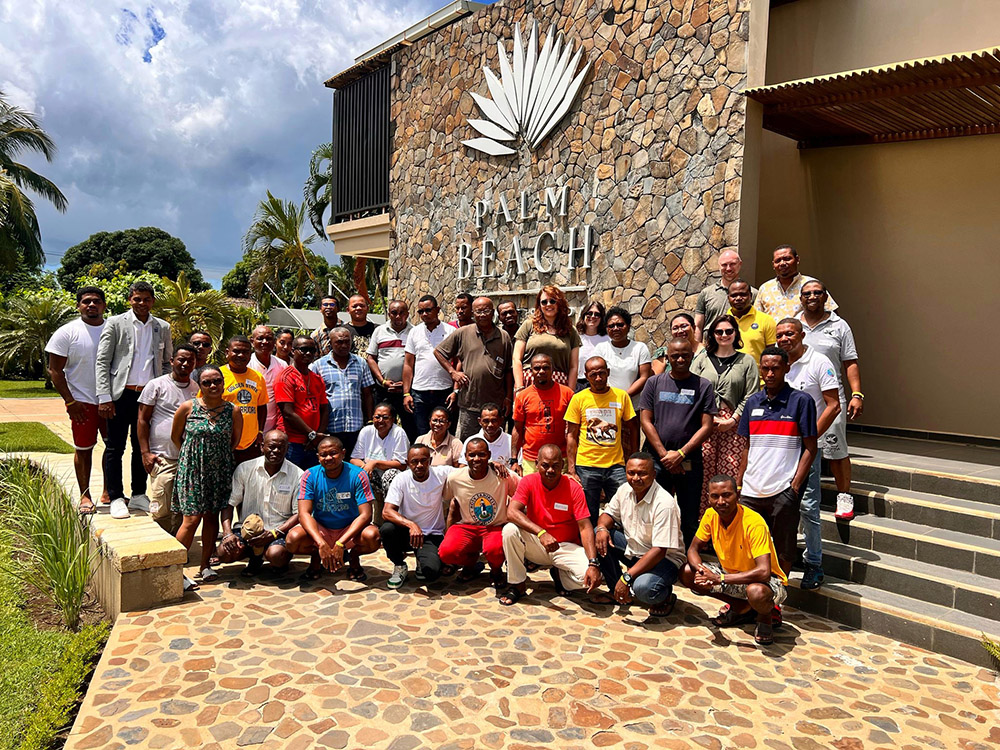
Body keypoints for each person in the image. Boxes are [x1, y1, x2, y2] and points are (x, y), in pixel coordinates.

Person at [736, 345, 817, 578]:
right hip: (751, 490)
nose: (770, 374)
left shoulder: (801, 401)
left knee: (784, 546)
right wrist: (740, 482)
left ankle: (778, 596)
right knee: (748, 544)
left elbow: (811, 447)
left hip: (783, 489)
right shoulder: (752, 403)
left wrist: (794, 487)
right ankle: (748, 598)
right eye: (766, 369)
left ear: (787, 369)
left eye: (776, 369)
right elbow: (747, 446)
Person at [679, 474, 787, 646]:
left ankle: (765, 617)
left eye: (726, 495)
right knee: (686, 572)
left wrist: (718, 578)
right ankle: (740, 607)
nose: (721, 501)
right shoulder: (710, 515)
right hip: (731, 574)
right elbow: (693, 549)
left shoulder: (753, 522)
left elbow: (764, 572)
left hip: (766, 582)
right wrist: (701, 571)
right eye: (715, 496)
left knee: (756, 593)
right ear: (708, 498)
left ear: (737, 495)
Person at [96, 281, 172, 519]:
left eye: (146, 299)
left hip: (149, 397)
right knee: (115, 447)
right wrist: (104, 396)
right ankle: (116, 496)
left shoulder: (162, 326)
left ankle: (139, 493)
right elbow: (102, 362)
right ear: (130, 299)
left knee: (142, 446)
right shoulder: (116, 323)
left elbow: (167, 361)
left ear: (153, 301)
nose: (141, 303)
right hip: (121, 395)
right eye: (137, 298)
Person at [776, 318, 840, 590]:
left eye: (789, 333)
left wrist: (809, 437)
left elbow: (833, 405)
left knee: (809, 507)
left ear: (801, 335)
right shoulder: (777, 362)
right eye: (780, 335)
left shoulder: (819, 362)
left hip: (806, 449)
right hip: (778, 447)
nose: (784, 339)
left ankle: (814, 563)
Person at [499, 445, 607, 605]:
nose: (550, 470)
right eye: (545, 465)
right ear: (536, 464)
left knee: (591, 577)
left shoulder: (573, 487)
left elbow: (585, 526)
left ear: (562, 466)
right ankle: (517, 584)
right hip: (537, 543)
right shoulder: (528, 481)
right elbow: (512, 512)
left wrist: (593, 562)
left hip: (564, 547)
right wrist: (541, 533)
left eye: (555, 465)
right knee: (509, 530)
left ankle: (560, 576)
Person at [638, 338, 716, 546]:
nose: (680, 359)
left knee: (689, 517)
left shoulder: (703, 385)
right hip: (657, 460)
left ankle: (689, 560)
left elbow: (707, 426)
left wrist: (680, 454)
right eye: (675, 356)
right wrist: (665, 455)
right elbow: (645, 420)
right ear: (668, 357)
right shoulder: (654, 383)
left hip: (689, 461)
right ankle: (654, 555)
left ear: (692, 356)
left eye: (685, 355)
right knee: (655, 512)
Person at [170, 364, 243, 589]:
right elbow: (176, 437)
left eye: (217, 381)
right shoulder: (187, 407)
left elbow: (235, 441)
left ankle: (205, 566)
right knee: (191, 520)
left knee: (212, 518)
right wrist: (194, 456)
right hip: (191, 471)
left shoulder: (233, 411)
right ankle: (174, 571)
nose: (213, 386)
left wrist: (215, 457)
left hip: (219, 471)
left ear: (223, 382)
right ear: (199, 386)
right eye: (207, 382)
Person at [799, 280, 864, 521]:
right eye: (807, 293)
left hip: (831, 400)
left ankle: (844, 495)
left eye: (817, 293)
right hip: (801, 400)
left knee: (836, 449)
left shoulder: (839, 325)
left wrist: (857, 393)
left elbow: (850, 362)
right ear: (801, 298)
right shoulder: (794, 324)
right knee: (800, 449)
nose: (812, 296)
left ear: (826, 296)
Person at [595, 452, 686, 617]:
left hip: (664, 560)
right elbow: (608, 514)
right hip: (634, 550)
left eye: (642, 473)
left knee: (644, 589)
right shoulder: (624, 490)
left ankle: (665, 597)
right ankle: (615, 589)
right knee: (598, 534)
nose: (636, 478)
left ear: (653, 475)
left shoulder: (664, 503)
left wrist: (627, 577)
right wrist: (602, 528)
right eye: (631, 473)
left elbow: (660, 550)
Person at [45, 285, 108, 514]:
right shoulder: (67, 332)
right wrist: (71, 402)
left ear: (104, 305)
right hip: (82, 402)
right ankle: (85, 496)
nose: (91, 305)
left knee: (113, 448)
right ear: (79, 305)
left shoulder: (113, 329)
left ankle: (108, 491)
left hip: (110, 400)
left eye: (96, 301)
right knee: (84, 449)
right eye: (86, 301)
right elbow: (54, 370)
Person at [286, 436, 382, 582]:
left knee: (373, 536)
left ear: (343, 453)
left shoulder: (358, 475)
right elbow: (304, 513)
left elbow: (365, 515)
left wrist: (340, 543)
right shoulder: (310, 475)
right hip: (322, 529)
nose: (328, 458)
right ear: (318, 457)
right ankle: (317, 556)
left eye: (333, 453)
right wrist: (321, 543)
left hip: (349, 530)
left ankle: (353, 557)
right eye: (323, 455)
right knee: (293, 539)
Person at [691, 315, 759, 515]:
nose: (724, 335)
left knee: (729, 474)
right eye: (719, 331)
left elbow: (751, 394)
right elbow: (692, 389)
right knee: (704, 475)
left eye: (729, 331)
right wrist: (706, 419)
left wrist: (733, 420)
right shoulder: (702, 359)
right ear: (712, 334)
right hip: (704, 422)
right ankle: (704, 530)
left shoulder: (746, 361)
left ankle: (728, 527)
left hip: (734, 425)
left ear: (736, 333)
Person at [216, 430, 302, 577]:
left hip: (277, 532)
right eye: (271, 446)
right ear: (262, 447)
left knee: (276, 555)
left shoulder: (298, 475)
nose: (276, 451)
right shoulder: (245, 468)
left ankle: (276, 559)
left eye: (281, 447)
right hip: (247, 530)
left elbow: (298, 513)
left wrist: (274, 533)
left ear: (287, 448)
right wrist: (227, 533)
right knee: (224, 553)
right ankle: (254, 557)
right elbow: (229, 504)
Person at [565, 356, 638, 525]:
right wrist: (571, 469)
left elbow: (634, 428)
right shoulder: (579, 398)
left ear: (608, 373)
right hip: (587, 466)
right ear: (586, 375)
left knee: (623, 512)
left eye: (601, 373)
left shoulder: (621, 396)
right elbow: (571, 435)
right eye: (593, 374)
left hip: (616, 466)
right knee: (588, 514)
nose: (598, 378)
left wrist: (632, 459)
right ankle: (591, 549)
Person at [438, 438, 518, 588]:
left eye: (481, 455)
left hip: (495, 526)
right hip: (467, 526)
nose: (476, 459)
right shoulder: (455, 478)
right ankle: (470, 563)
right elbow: (448, 499)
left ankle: (496, 570)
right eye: (472, 455)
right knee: (446, 552)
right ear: (465, 456)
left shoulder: (502, 475)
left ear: (489, 455)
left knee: (495, 551)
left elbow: (522, 491)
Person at [137, 344, 199, 534]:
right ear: (172, 361)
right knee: (160, 507)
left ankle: (178, 547)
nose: (185, 364)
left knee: (182, 507)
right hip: (162, 457)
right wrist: (145, 453)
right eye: (181, 359)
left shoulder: (196, 388)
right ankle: (162, 545)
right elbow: (142, 420)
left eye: (190, 361)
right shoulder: (156, 385)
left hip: (186, 459)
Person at [434, 296, 514, 440]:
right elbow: (438, 352)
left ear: (493, 312)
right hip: (469, 403)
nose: (482, 314)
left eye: (486, 311)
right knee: (468, 444)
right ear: (473, 313)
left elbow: (509, 370)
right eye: (478, 311)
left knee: (495, 443)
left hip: (495, 405)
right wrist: (453, 372)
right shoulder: (463, 333)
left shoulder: (503, 337)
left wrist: (508, 397)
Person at [380, 444, 455, 588]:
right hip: (407, 533)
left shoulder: (441, 473)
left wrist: (492, 465)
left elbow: (468, 471)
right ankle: (399, 565)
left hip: (432, 534)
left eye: (423, 460)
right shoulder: (401, 479)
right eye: (414, 461)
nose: (419, 465)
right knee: (387, 529)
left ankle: (422, 560)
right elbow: (387, 511)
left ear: (430, 461)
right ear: (408, 463)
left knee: (431, 573)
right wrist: (411, 525)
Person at [312, 326, 374, 458]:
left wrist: (369, 421)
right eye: (339, 342)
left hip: (356, 427)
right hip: (330, 427)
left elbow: (367, 394)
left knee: (354, 463)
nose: (344, 345)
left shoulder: (361, 363)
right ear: (330, 343)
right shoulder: (318, 366)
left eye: (347, 341)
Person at [511, 354, 575, 475]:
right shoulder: (523, 396)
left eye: (546, 367)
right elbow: (517, 429)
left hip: (560, 458)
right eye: (537, 368)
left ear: (552, 369)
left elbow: (574, 430)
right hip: (531, 459)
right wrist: (514, 459)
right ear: (531, 371)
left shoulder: (567, 394)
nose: (541, 371)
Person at [275, 336, 330, 469]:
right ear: (293, 351)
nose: (308, 353)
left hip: (313, 442)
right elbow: (288, 413)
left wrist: (317, 436)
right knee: (292, 483)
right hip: (293, 442)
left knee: (312, 482)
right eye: (304, 349)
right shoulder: (285, 377)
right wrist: (311, 434)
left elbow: (324, 408)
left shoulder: (316, 378)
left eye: (312, 350)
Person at [402, 295, 454, 436]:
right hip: (419, 393)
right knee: (422, 432)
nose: (424, 314)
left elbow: (459, 361)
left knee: (445, 433)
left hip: (444, 391)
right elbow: (408, 364)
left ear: (437, 310)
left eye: (428, 310)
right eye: (421, 311)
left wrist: (455, 391)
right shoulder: (414, 332)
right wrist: (406, 393)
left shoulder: (450, 331)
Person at [350, 401, 409, 525]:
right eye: (377, 417)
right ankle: (363, 520)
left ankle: (391, 517)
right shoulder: (366, 431)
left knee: (390, 475)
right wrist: (366, 467)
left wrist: (375, 463)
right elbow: (354, 459)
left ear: (393, 419)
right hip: (373, 475)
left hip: (393, 477)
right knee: (358, 474)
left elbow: (402, 464)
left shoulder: (399, 433)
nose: (381, 420)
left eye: (385, 417)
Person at [513, 285, 581, 388]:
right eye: (544, 302)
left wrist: (570, 392)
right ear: (539, 305)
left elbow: (573, 367)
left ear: (559, 303)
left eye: (552, 301)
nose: (548, 305)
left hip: (560, 383)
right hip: (530, 381)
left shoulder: (570, 330)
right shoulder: (528, 325)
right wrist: (519, 387)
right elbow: (516, 359)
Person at [366, 299, 416, 440]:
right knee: (383, 426)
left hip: (407, 391)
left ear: (407, 314)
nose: (398, 316)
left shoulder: (415, 331)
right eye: (394, 313)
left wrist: (406, 385)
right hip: (383, 390)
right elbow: (371, 358)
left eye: (402, 313)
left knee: (410, 427)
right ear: (389, 314)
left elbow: (418, 361)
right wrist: (382, 381)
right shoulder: (379, 331)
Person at [219, 335, 268, 465]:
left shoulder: (257, 377)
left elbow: (262, 406)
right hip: (224, 441)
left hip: (250, 443)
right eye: (236, 351)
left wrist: (260, 432)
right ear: (227, 353)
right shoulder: (217, 375)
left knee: (248, 482)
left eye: (245, 352)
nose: (241, 355)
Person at [757, 244, 837, 321]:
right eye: (778, 261)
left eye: (787, 259)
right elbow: (757, 319)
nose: (782, 263)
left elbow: (832, 313)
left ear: (797, 259)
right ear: (773, 265)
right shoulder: (765, 288)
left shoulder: (812, 285)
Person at [695, 249, 759, 342]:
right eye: (724, 265)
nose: (728, 268)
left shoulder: (753, 294)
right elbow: (698, 326)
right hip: (711, 347)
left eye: (732, 264)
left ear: (740, 264)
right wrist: (698, 350)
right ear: (719, 266)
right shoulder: (706, 293)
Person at [594, 306, 652, 408]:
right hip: (607, 405)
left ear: (628, 327)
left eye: (620, 324)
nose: (615, 328)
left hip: (633, 405)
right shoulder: (600, 349)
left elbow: (644, 377)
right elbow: (597, 376)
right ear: (607, 329)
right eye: (611, 326)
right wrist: (612, 398)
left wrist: (624, 397)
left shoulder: (640, 348)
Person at [249, 325, 287, 434]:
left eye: (269, 339)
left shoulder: (282, 365)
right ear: (252, 341)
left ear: (274, 342)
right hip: (251, 424)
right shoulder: (246, 364)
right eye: (260, 338)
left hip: (275, 426)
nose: (265, 342)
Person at [728, 279, 776, 364]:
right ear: (728, 298)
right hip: (728, 375)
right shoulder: (722, 322)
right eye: (734, 295)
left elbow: (771, 354)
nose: (738, 298)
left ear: (750, 296)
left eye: (743, 294)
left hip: (757, 376)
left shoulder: (766, 320)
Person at [575, 301, 608, 391]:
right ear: (584, 315)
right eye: (589, 313)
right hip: (578, 383)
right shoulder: (575, 337)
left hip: (600, 382)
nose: (593, 316)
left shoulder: (607, 339)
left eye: (597, 314)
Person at [344, 294, 377, 358]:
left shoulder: (378, 330)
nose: (358, 308)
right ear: (348, 310)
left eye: (362, 306)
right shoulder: (342, 331)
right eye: (354, 306)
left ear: (367, 308)